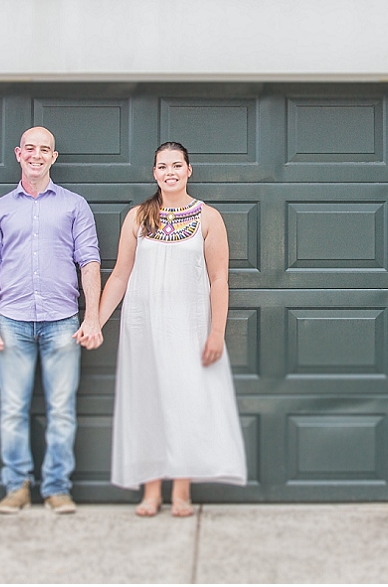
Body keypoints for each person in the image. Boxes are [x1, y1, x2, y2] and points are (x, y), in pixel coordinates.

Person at [97, 141, 247, 517]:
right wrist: (94, 321)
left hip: (189, 328)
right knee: (146, 402)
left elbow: (218, 280)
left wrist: (216, 332)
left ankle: (181, 490)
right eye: (162, 166)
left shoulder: (209, 218)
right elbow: (119, 276)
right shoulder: (137, 218)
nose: (170, 172)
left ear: (189, 170)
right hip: (142, 328)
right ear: (154, 173)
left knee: (185, 403)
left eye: (176, 165)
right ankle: (150, 490)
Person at [0, 126, 103, 515]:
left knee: (61, 410)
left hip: (62, 321)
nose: (36, 155)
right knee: (13, 409)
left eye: (44, 149)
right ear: (18, 154)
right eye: (29, 148)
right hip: (11, 320)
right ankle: (17, 487)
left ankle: (56, 488)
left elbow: (90, 262)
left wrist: (93, 317)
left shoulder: (74, 205)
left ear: (54, 156)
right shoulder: (0, 209)